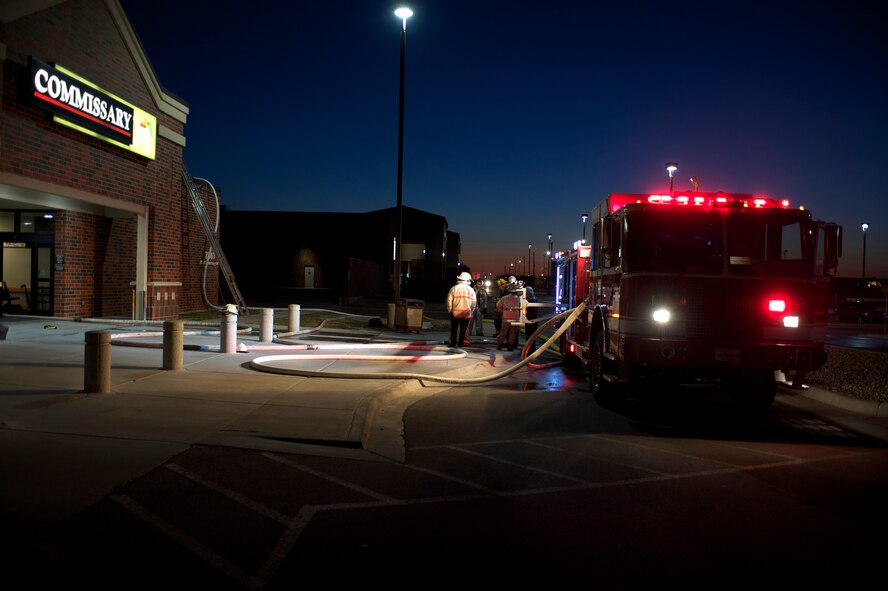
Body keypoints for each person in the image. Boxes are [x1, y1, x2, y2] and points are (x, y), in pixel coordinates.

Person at [446, 271, 476, 348]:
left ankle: (453, 343)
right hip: (466, 314)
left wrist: (450, 310)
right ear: (467, 280)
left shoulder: (453, 288)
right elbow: (474, 303)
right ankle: (460, 344)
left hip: (455, 313)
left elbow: (449, 301)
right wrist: (471, 311)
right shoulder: (471, 290)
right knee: (463, 330)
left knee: (454, 329)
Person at [496, 283, 524, 351]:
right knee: (513, 334)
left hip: (506, 318)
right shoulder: (519, 299)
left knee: (503, 333)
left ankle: (500, 345)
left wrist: (504, 309)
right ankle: (510, 347)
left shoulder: (504, 298)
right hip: (515, 319)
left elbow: (498, 306)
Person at [523, 285, 539, 353]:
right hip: (532, 320)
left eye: (525, 292)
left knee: (530, 336)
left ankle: (530, 350)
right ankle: (530, 349)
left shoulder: (532, 300)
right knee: (530, 336)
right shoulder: (533, 298)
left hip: (531, 320)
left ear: (528, 292)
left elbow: (530, 311)